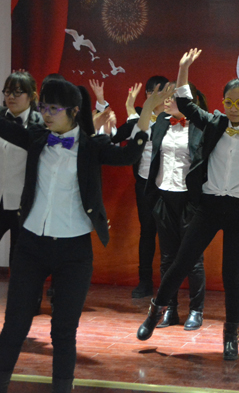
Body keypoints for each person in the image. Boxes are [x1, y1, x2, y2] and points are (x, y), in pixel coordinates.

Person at [0, 79, 169, 393]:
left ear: (74, 111)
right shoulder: (36, 138)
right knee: (14, 326)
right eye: (43, 107)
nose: (46, 114)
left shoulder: (92, 146)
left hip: (74, 252)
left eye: (54, 108)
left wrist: (146, 110)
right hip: (31, 246)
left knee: (63, 331)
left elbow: (130, 155)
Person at [136, 49, 239, 361]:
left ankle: (231, 335)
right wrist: (183, 67)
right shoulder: (213, 124)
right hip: (209, 208)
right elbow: (186, 102)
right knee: (181, 263)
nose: (234, 108)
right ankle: (155, 311)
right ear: (223, 103)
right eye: (229, 102)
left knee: (231, 276)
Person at [145, 83, 207, 331]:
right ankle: (169, 308)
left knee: (193, 259)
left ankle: (196, 310)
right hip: (164, 195)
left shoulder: (201, 126)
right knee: (167, 258)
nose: (168, 101)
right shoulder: (161, 122)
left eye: (173, 97)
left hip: (189, 199)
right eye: (167, 97)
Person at [112, 76, 170, 298]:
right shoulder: (138, 120)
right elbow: (114, 138)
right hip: (145, 185)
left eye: (165, 93)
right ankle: (144, 281)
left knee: (169, 235)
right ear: (147, 95)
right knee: (147, 232)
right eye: (156, 93)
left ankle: (169, 285)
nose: (163, 97)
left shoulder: (174, 119)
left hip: (169, 185)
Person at [0, 71, 43, 267]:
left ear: (32, 96)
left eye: (17, 92)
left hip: (23, 202)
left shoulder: (40, 123)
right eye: (7, 92)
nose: (11, 97)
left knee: (19, 259)